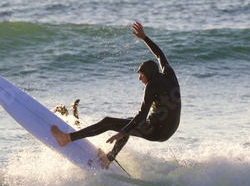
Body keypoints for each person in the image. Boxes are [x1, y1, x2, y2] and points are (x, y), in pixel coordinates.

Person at [51, 22, 181, 169]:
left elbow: (141, 116)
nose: (140, 79)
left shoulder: (151, 86)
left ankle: (67, 138)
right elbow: (160, 54)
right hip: (168, 128)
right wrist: (144, 38)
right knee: (127, 123)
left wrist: (121, 133)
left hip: (157, 131)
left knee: (109, 122)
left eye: (141, 75)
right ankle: (108, 159)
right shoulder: (169, 74)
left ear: (149, 75)